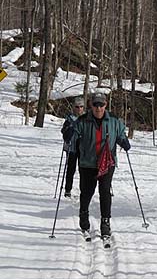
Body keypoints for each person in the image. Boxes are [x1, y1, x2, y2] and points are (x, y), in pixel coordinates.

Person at [64, 92, 131, 239]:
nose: (98, 108)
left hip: (107, 163)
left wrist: (124, 142)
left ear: (106, 105)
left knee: (105, 191)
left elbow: (120, 135)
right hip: (87, 163)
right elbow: (72, 134)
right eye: (95, 105)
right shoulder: (82, 121)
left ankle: (105, 223)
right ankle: (83, 215)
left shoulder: (113, 121)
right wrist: (68, 133)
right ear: (91, 105)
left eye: (101, 104)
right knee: (87, 192)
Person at [61, 97, 85, 197]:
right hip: (72, 147)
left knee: (83, 170)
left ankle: (84, 190)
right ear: (73, 107)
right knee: (71, 169)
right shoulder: (69, 118)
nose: (79, 109)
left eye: (81, 106)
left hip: (83, 148)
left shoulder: (87, 118)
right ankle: (67, 189)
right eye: (77, 107)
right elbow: (63, 132)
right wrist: (68, 130)